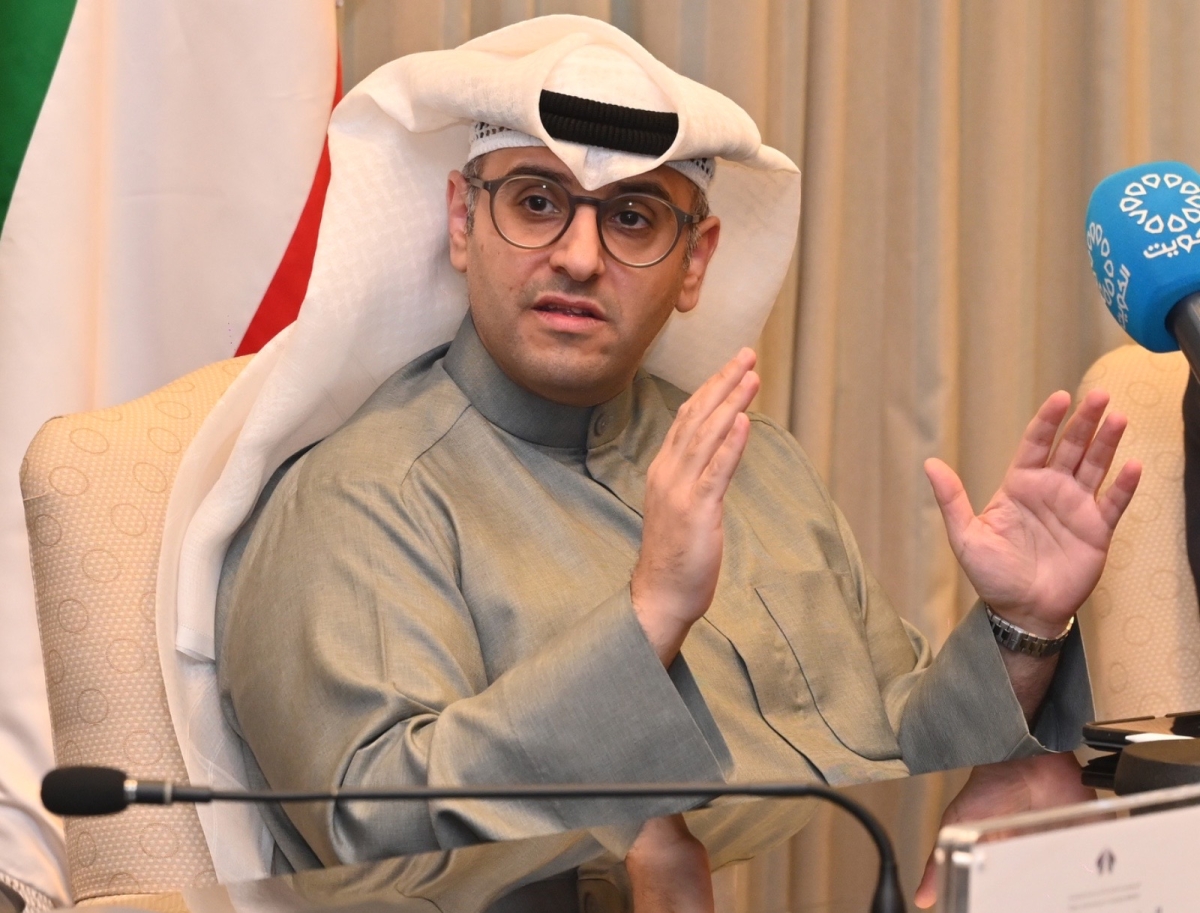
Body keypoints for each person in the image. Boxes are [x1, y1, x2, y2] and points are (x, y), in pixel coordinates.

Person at [178, 16, 1140, 878]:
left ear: (695, 263)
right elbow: (370, 834)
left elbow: (894, 753)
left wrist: (1020, 629)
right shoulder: (358, 498)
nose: (579, 256)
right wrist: (646, 619)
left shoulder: (754, 463)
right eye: (537, 202)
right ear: (463, 221)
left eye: (632, 216)